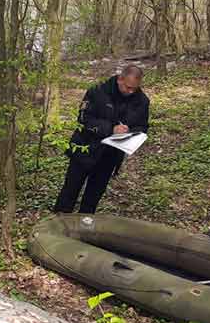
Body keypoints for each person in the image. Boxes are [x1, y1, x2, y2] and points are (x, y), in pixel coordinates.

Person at [53, 65, 150, 214]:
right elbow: (84, 118)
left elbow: (142, 126)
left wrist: (129, 132)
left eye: (134, 89)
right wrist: (110, 129)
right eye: (128, 87)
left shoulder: (142, 101)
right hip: (85, 148)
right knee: (69, 191)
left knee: (93, 197)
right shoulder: (98, 91)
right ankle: (57, 226)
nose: (131, 92)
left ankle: (84, 228)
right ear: (120, 79)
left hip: (110, 155)